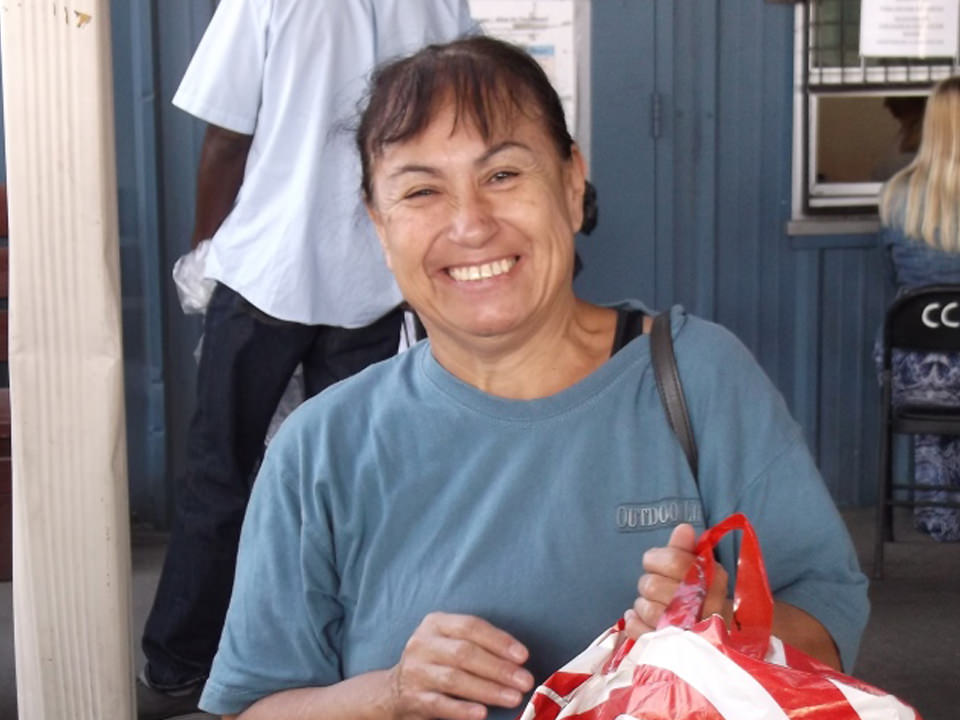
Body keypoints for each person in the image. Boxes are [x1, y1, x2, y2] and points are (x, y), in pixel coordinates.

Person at [199, 36, 870, 720]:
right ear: (379, 225)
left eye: (503, 175)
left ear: (573, 185)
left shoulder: (696, 378)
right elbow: (254, 706)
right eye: (421, 189)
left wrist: (726, 634)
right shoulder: (321, 447)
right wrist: (390, 694)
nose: (470, 224)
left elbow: (828, 613)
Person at [136, 2, 476, 718]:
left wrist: (207, 246)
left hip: (269, 269)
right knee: (351, 490)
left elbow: (227, 137)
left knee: (219, 476)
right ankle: (342, 667)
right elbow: (459, 121)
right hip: (379, 276)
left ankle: (177, 665)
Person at [876, 76, 960, 543]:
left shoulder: (895, 196)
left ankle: (939, 514)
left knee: (922, 346)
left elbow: (893, 277)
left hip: (913, 373)